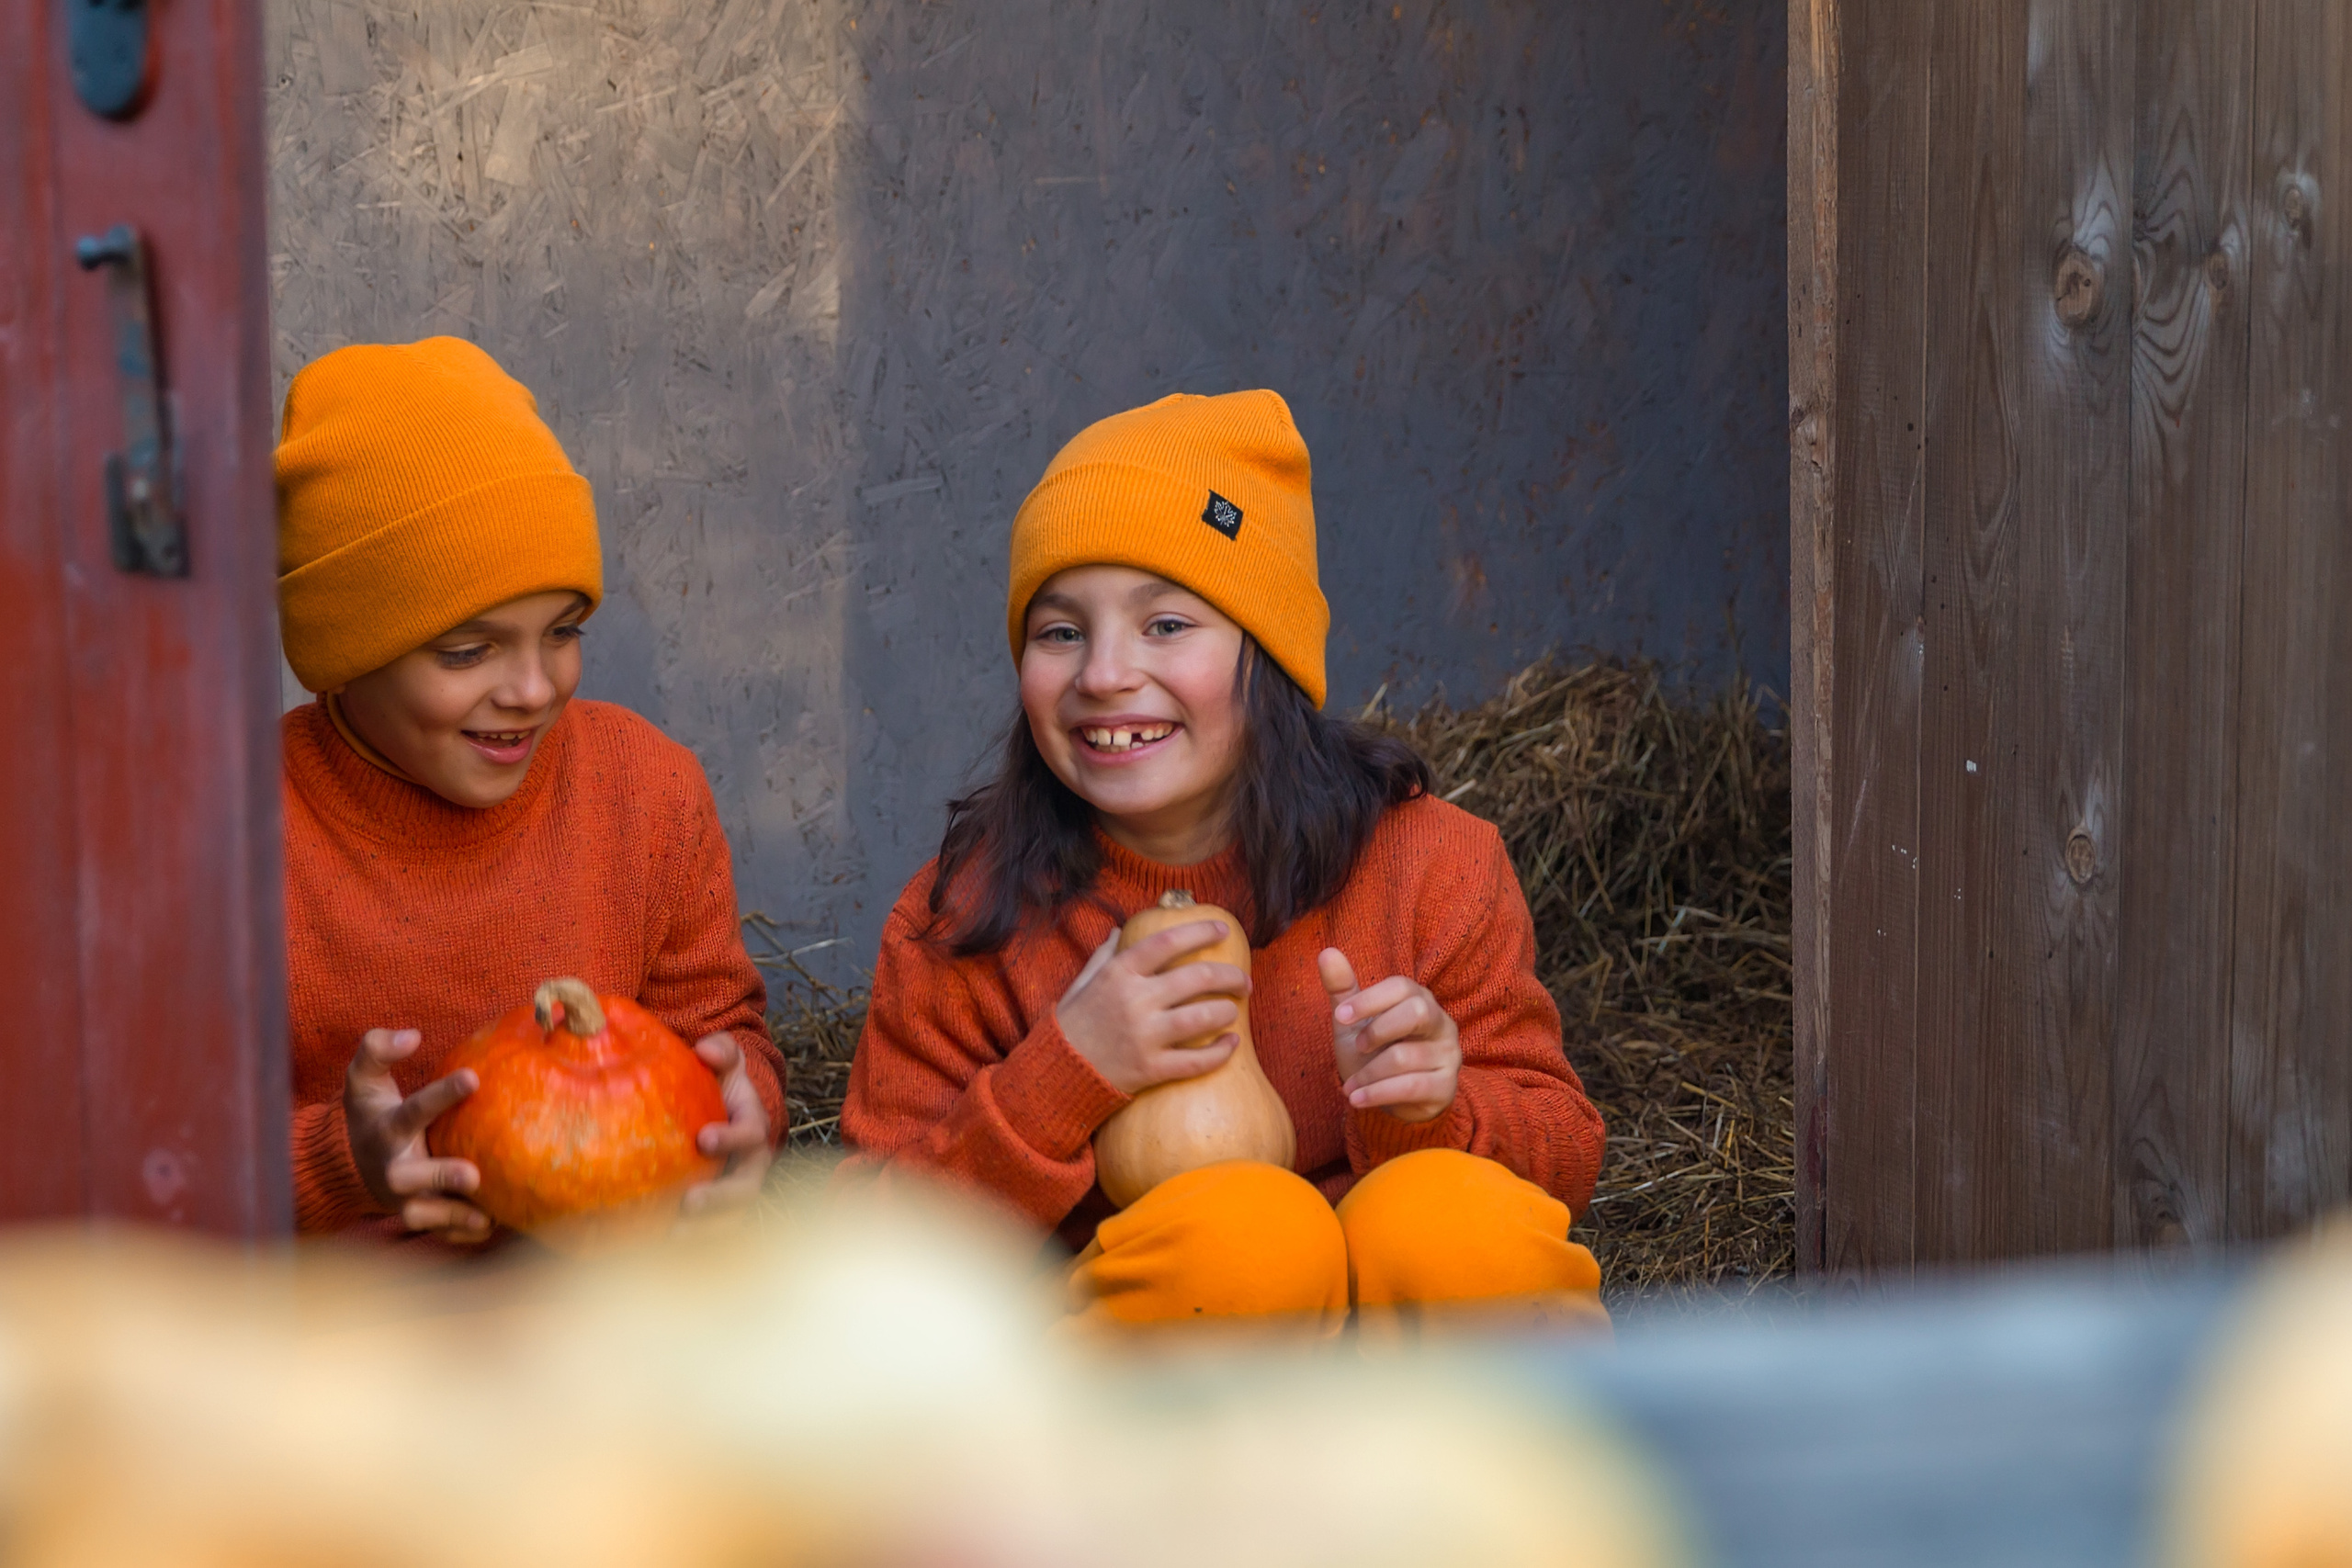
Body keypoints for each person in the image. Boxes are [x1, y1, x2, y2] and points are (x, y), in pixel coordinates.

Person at [841, 389, 1608, 1337]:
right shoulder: (966, 915)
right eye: (1060, 631)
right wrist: (1065, 1071)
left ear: (1269, 652)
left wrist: (1438, 1106)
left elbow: (1568, 1153)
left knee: (1457, 1226)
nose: (1104, 674)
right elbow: (868, 1261)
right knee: (1244, 1244)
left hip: (1406, 1405)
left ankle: (1499, 1478)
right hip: (1149, 1419)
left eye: (1166, 625)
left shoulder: (1429, 863)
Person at [276, 337, 786, 1246]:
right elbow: (142, 1146)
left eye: (561, 630)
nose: (534, 688)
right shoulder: (240, 833)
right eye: (467, 651)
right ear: (346, 653)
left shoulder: (647, 791)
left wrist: (743, 1104)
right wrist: (337, 1159)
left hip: (611, 1304)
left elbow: (718, 1026)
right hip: (340, 1337)